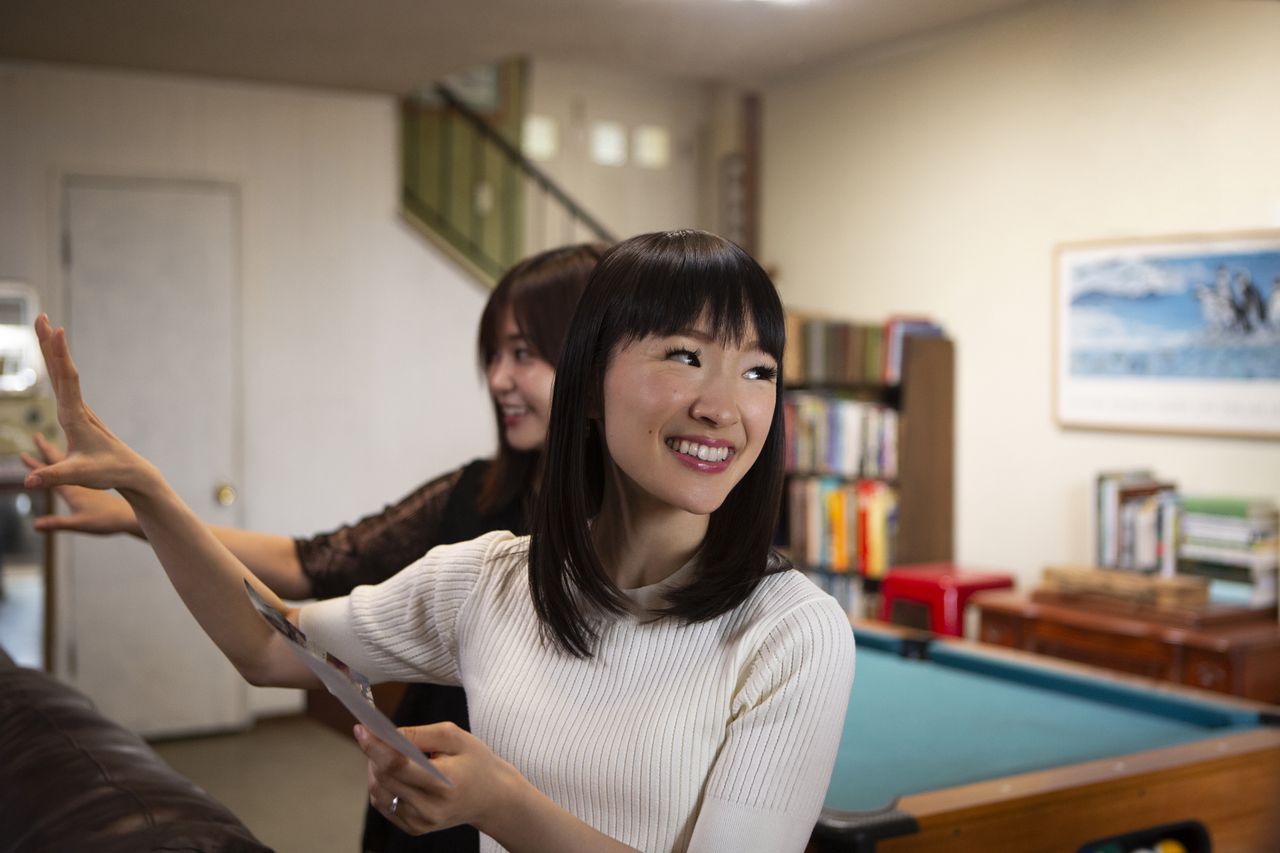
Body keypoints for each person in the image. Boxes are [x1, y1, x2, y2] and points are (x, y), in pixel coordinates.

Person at [26, 229, 856, 853]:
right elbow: (269, 641)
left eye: (757, 369)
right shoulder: (486, 580)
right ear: (591, 384)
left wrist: (502, 804)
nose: (728, 405)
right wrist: (150, 491)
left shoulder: (793, 632)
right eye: (686, 356)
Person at [21, 242, 606, 853]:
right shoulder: (476, 524)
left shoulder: (647, 561)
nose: (497, 379)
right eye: (493, 355)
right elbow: (298, 591)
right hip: (428, 809)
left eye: (524, 353)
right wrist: (139, 503)